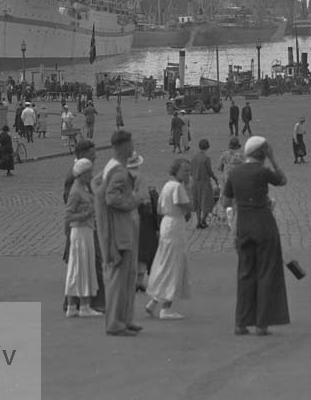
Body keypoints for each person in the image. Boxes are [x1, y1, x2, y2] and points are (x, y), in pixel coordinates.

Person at [221, 136, 290, 336]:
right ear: (263, 154)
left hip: (243, 224)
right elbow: (282, 180)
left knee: (245, 272)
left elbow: (225, 202)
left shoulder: (235, 172)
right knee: (266, 272)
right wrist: (274, 159)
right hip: (264, 223)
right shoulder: (263, 171)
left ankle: (241, 322)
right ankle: (262, 323)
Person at [93, 130, 146, 337]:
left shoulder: (112, 167)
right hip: (120, 230)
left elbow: (97, 186)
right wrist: (134, 200)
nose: (133, 146)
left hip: (120, 227)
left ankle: (125, 319)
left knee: (127, 277)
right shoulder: (119, 171)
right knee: (119, 278)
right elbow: (111, 198)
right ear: (124, 145)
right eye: (131, 142)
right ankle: (115, 322)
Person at [145, 157, 193, 320]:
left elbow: (159, 208)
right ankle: (166, 307)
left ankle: (154, 301)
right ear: (177, 171)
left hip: (167, 223)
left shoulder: (167, 185)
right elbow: (188, 208)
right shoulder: (178, 187)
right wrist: (189, 190)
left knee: (165, 262)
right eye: (185, 170)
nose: (188, 174)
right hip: (175, 225)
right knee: (174, 264)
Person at [65, 157, 105, 318]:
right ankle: (84, 305)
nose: (91, 175)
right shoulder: (76, 191)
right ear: (82, 174)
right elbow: (68, 216)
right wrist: (86, 214)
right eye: (89, 172)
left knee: (79, 268)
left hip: (85, 231)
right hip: (81, 231)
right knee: (82, 267)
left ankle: (73, 306)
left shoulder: (84, 187)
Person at [188, 138, 218, 228]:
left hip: (195, 182)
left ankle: (198, 221)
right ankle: (203, 220)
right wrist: (215, 179)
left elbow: (191, 171)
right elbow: (209, 171)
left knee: (197, 202)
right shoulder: (206, 158)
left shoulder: (194, 157)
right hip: (204, 183)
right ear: (207, 147)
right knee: (207, 202)